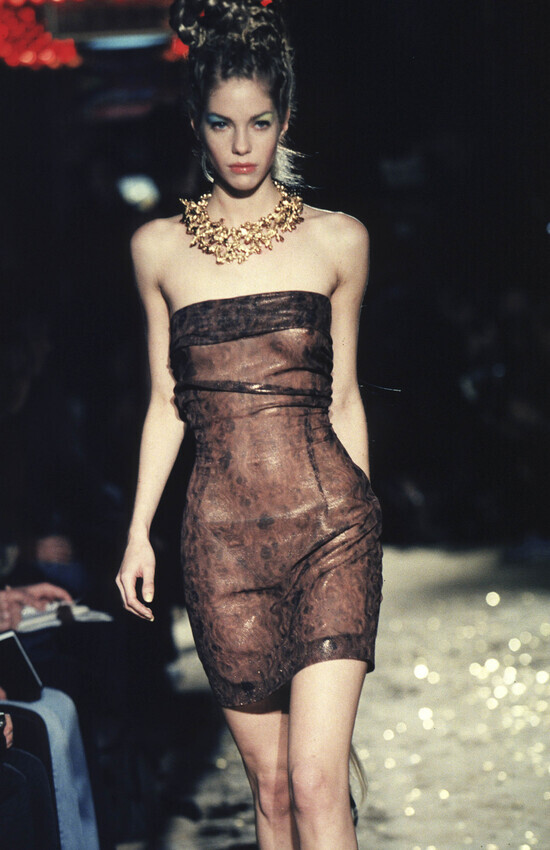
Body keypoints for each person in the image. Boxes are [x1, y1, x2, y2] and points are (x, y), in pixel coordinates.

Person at [116, 2, 383, 848]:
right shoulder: (158, 249)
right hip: (222, 545)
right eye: (222, 123)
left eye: (259, 123)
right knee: (269, 791)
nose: (241, 145)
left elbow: (344, 397)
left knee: (314, 781)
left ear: (285, 121)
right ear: (196, 124)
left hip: (330, 531)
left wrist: (367, 528)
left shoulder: (338, 241)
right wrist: (138, 533)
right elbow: (166, 401)